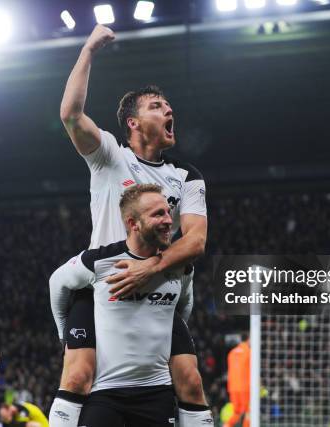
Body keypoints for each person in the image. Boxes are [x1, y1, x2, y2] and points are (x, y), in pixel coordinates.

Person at [52, 23, 211, 427]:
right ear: (133, 123)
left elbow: (195, 241)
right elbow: (70, 115)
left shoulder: (186, 175)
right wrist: (88, 50)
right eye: (157, 106)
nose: (169, 110)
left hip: (156, 284)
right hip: (106, 285)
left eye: (168, 105)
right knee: (78, 376)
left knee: (190, 381)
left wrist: (152, 268)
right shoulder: (110, 156)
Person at [50, 184, 196, 426]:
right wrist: (63, 332)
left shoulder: (181, 267)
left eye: (168, 212)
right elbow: (57, 282)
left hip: (157, 393)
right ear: (133, 223)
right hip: (105, 393)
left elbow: (185, 304)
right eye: (158, 214)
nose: (169, 220)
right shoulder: (98, 261)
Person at [226, 334, 251, 427]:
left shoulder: (231, 353)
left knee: (237, 412)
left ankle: (226, 425)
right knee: (249, 412)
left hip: (233, 387)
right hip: (245, 388)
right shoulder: (249, 352)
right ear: (249, 339)